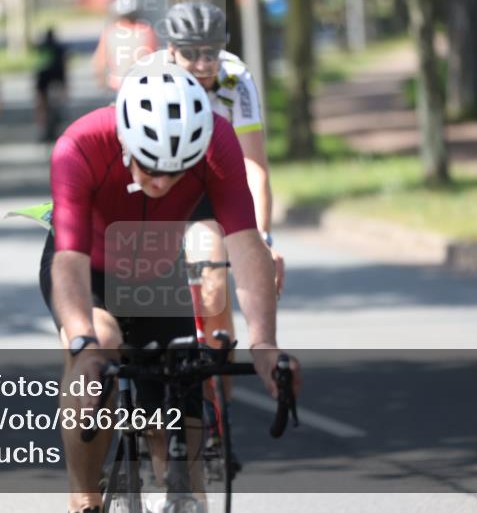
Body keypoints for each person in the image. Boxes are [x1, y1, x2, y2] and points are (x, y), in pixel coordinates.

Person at [42, 56, 300, 513]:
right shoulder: (78, 145)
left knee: (180, 387)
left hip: (157, 269)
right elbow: (69, 260)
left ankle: (186, 496)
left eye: (175, 170)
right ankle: (83, 495)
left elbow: (244, 243)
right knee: (100, 346)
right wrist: (81, 343)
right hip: (90, 270)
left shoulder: (218, 141)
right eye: (148, 166)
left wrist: (264, 343)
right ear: (125, 139)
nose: (160, 182)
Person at [154, 2, 285, 401]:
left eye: (210, 51)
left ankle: (216, 403)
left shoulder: (235, 79)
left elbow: (254, 167)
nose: (202, 63)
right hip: (162, 184)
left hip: (213, 187)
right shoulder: (152, 79)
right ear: (171, 50)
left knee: (212, 281)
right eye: (190, 53)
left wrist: (263, 239)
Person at [91, 0, 158, 91]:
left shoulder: (110, 32)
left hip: (116, 84)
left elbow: (99, 62)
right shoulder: (146, 31)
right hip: (141, 84)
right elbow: (153, 60)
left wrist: (101, 81)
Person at [33, 28, 67, 142]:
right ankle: (57, 113)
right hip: (57, 77)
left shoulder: (41, 48)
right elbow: (63, 66)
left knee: (41, 104)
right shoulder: (60, 48)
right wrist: (65, 84)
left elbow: (37, 65)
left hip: (43, 79)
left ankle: (42, 127)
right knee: (58, 101)